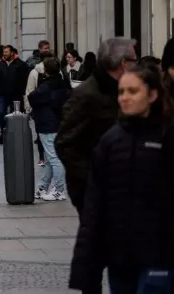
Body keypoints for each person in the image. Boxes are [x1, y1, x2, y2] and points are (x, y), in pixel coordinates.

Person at [69, 64, 174, 293]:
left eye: (133, 91)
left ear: (153, 95)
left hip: (159, 254)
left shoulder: (167, 136)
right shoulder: (111, 141)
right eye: (121, 92)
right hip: (120, 256)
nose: (125, 98)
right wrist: (87, 265)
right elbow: (94, 208)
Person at [56, 37, 136, 216]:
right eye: (134, 60)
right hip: (95, 191)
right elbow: (64, 143)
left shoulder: (119, 90)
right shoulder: (88, 95)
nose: (136, 66)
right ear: (124, 63)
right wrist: (91, 180)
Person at [28, 58, 70, 201]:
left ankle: (59, 190)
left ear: (46, 70)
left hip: (47, 124)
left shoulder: (47, 86)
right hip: (56, 122)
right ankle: (42, 187)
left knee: (53, 158)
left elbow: (32, 97)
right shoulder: (62, 82)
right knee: (49, 158)